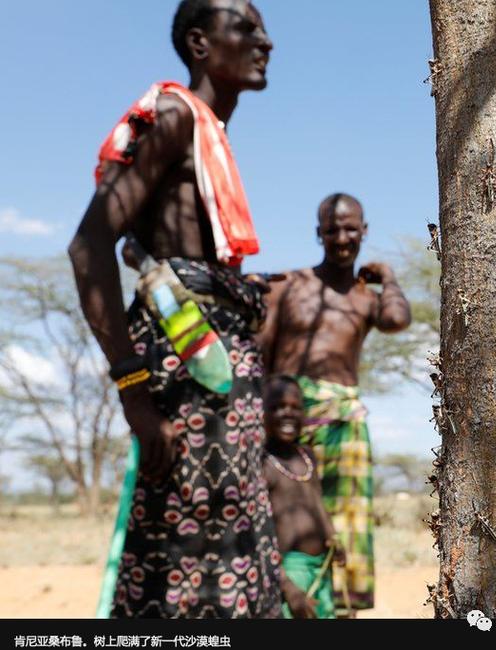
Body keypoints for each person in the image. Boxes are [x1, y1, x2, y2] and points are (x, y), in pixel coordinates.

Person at [68, 0, 282, 618]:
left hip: (217, 365)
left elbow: (150, 247)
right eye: (244, 26)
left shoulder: (210, 134)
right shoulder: (172, 115)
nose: (265, 40)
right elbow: (89, 248)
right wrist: (134, 390)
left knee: (229, 534)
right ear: (198, 43)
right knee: (187, 543)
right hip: (184, 370)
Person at [258, 193, 412, 615]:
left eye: (350, 229)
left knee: (346, 525)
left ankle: (340, 610)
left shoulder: (367, 296)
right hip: (289, 416)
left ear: (364, 232)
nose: (341, 238)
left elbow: (398, 320)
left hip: (345, 418)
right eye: (332, 229)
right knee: (282, 512)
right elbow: (262, 354)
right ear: (318, 233)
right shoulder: (289, 285)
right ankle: (283, 601)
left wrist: (389, 276)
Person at [262, 375, 346, 619]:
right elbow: (261, 534)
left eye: (295, 407)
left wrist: (331, 535)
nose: (287, 413)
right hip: (289, 571)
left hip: (322, 566)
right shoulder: (261, 462)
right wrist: (287, 587)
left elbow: (316, 501)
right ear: (261, 412)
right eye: (277, 407)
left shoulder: (307, 456)